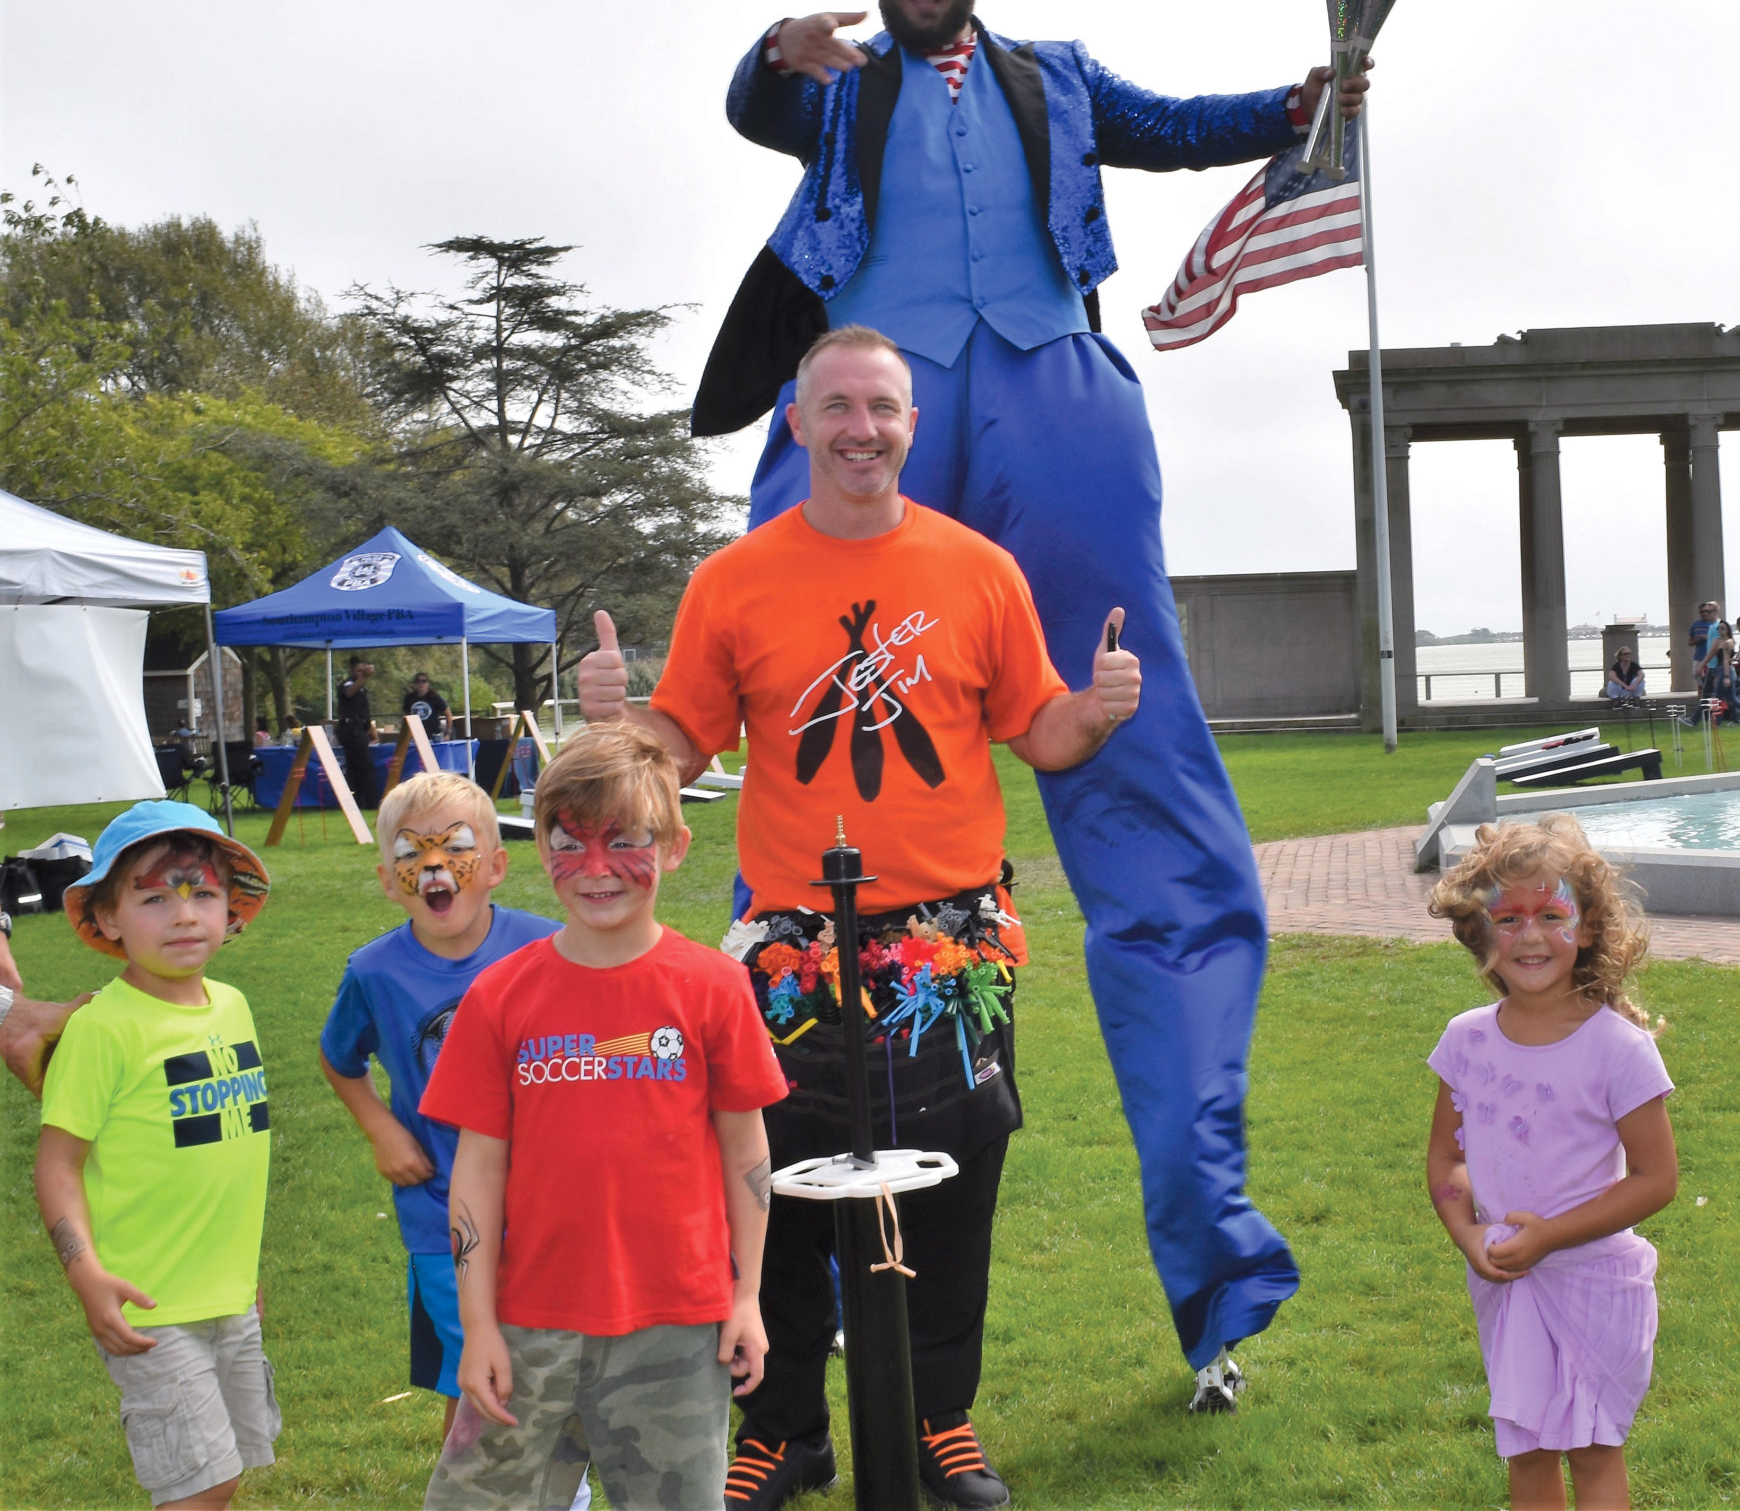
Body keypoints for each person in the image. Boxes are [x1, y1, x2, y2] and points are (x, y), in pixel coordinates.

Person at [694, 0, 1349, 1404]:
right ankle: (795, 1311)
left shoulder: (1056, 78)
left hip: (1056, 396)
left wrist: (1300, 104)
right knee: (813, 820)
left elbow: (1188, 129)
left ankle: (1216, 1265)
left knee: (1148, 787)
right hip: (869, 415)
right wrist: (770, 53)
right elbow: (757, 101)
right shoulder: (834, 86)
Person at [581, 326, 1140, 1505]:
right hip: (791, 948)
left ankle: (943, 1417)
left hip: (948, 945)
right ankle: (783, 1428)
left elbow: (1036, 729)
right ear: (797, 422)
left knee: (952, 1181)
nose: (859, 428)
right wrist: (621, 718)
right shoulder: (733, 580)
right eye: (835, 405)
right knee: (773, 1185)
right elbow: (681, 741)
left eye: (881, 406)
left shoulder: (979, 568)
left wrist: (1095, 712)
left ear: (910, 425)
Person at [418, 725, 789, 1510]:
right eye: (568, 843)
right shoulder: (500, 996)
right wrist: (478, 1325)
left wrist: (747, 1297)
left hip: (677, 1327)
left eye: (625, 841)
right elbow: (476, 1171)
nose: (595, 870)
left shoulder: (714, 987)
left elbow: (746, 1154)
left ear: (676, 846)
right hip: (528, 1324)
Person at [1424, 817, 1676, 1511]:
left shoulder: (1619, 1050)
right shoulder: (1464, 1044)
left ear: (1588, 927)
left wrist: (1552, 1235)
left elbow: (1657, 1181)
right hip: (1507, 1281)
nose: (1529, 935)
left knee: (1594, 1452)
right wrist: (1472, 1237)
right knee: (1527, 1450)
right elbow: (1446, 1159)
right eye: (1507, 918)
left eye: (1552, 914)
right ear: (1479, 930)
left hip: (1597, 1283)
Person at [34, 801, 280, 1511]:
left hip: (227, 1297)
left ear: (229, 909)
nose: (183, 914)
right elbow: (57, 1164)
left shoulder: (233, 1006)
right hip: (149, 1304)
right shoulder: (102, 1030)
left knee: (227, 1470)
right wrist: (87, 1275)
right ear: (107, 919)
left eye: (202, 892)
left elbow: (226, 1161)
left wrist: (243, 1273)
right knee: (198, 1485)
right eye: (152, 898)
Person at [316, 773, 560, 1443]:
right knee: (487, 1374)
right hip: (441, 1212)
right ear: (388, 878)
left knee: (526, 1368)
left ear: (497, 866)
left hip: (546, 1207)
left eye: (453, 847)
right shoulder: (373, 972)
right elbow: (339, 1058)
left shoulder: (548, 949)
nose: (431, 866)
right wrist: (381, 1129)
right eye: (410, 853)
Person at [336, 659, 383, 811]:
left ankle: (358, 801)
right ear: (351, 670)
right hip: (350, 730)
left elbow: (364, 714)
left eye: (363, 671)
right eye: (358, 671)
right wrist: (364, 677)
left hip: (360, 729)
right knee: (364, 767)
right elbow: (349, 693)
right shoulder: (348, 684)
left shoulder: (361, 688)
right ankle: (370, 802)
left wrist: (372, 732)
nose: (361, 675)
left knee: (355, 767)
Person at [406, 673, 452, 743]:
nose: (421, 684)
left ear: (428, 683)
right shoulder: (409, 698)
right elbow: (406, 717)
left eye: (424, 681)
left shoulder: (434, 697)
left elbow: (448, 714)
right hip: (415, 737)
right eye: (418, 681)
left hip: (433, 737)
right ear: (414, 684)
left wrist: (448, 733)